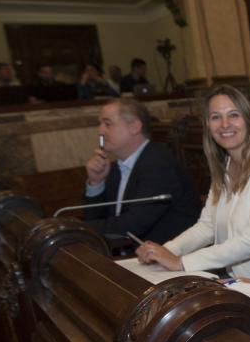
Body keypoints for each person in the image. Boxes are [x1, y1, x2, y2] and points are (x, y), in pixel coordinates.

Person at [135, 85, 250, 278]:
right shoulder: (226, 165)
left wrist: (181, 262)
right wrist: (164, 251)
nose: (225, 124)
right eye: (216, 117)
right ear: (208, 126)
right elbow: (207, 227)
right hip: (243, 279)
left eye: (234, 115)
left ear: (249, 120)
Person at [83, 98, 201, 244]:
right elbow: (98, 220)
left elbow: (132, 227)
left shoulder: (158, 164)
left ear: (135, 127)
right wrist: (96, 183)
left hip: (169, 257)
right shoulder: (114, 168)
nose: (100, 131)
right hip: (129, 253)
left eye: (108, 124)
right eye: (100, 124)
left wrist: (80, 229)